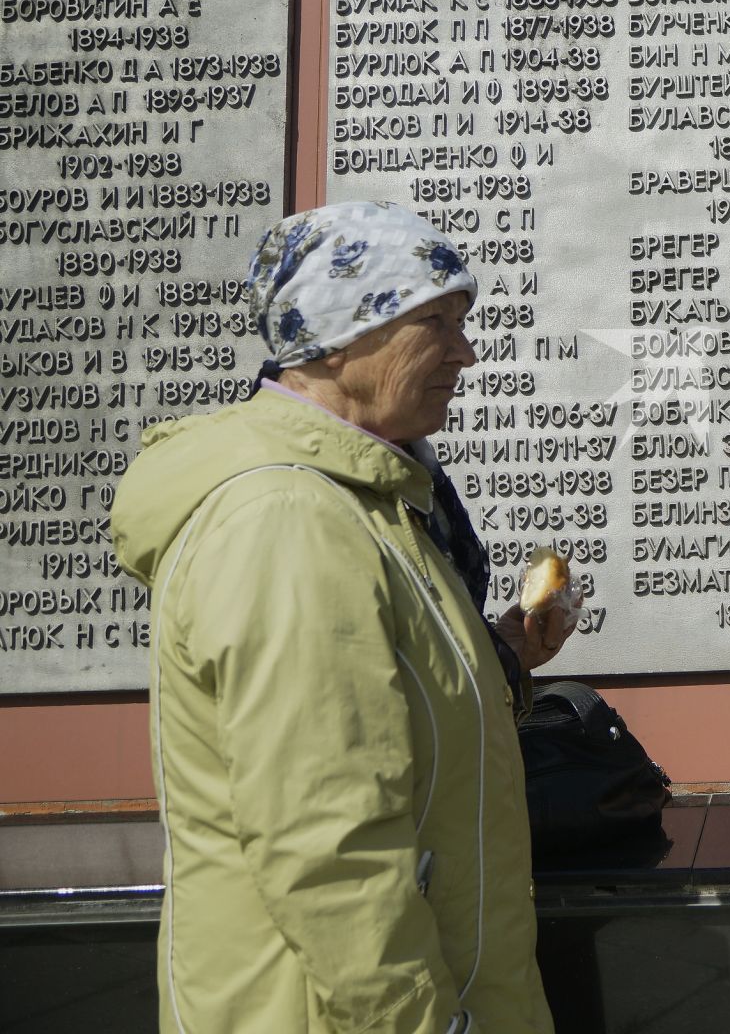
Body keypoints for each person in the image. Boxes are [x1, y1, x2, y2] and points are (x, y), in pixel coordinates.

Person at [112, 201, 574, 1034]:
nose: (466, 353)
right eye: (435, 322)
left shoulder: (370, 504)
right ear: (335, 340)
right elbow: (330, 845)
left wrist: (500, 653)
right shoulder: (287, 523)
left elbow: (382, 718)